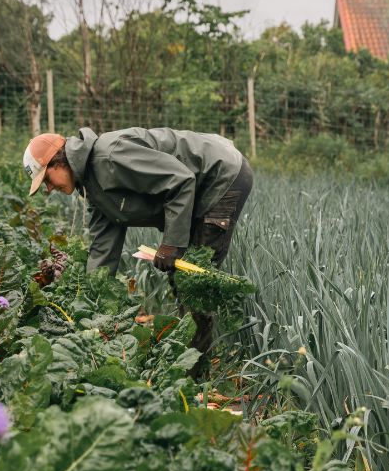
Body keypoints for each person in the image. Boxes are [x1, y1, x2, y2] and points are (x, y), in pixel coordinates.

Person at [22, 127, 253, 369]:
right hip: (199, 185)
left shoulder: (110, 157)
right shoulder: (92, 186)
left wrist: (171, 245)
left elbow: (181, 180)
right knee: (183, 278)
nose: (48, 189)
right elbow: (102, 248)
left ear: (59, 161)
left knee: (193, 282)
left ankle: (195, 371)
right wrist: (89, 302)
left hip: (220, 174)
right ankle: (191, 360)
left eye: (46, 179)